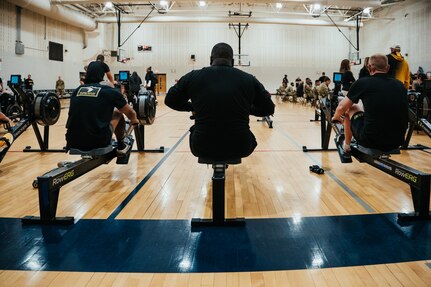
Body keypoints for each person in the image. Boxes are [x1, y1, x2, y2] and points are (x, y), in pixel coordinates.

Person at [165, 42, 274, 160]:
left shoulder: (193, 76)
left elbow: (170, 100)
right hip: (240, 146)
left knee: (196, 131)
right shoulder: (249, 79)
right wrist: (246, 109)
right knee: (248, 138)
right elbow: (268, 108)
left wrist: (192, 107)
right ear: (232, 61)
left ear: (211, 59)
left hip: (201, 146)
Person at [332, 54, 408, 157]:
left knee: (351, 107)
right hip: (398, 141)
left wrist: (336, 118)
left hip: (371, 140)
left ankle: (346, 146)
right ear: (388, 67)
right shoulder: (400, 85)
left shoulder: (363, 82)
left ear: (369, 67)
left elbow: (341, 107)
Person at [66, 65, 139, 154]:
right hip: (98, 142)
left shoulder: (76, 91)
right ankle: (121, 145)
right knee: (118, 112)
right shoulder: (109, 91)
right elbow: (130, 112)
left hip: (72, 140)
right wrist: (134, 119)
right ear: (102, 75)